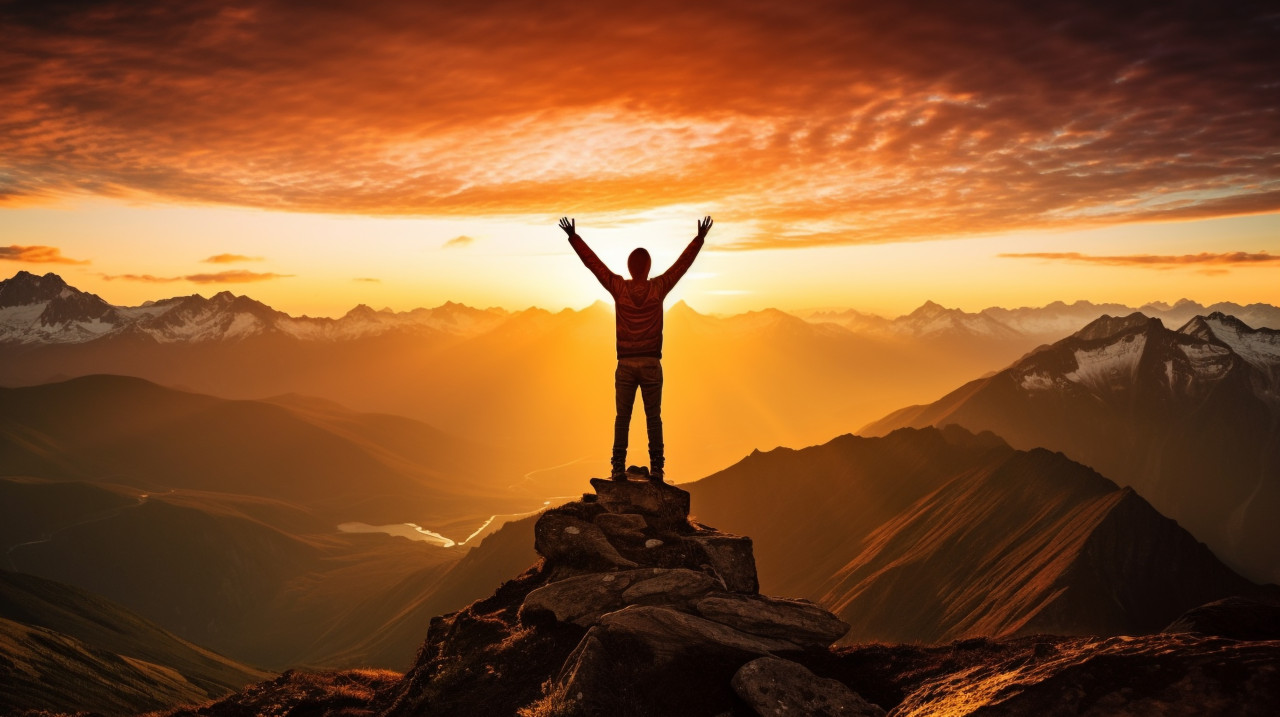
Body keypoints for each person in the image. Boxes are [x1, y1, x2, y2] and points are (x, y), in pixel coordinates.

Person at [559, 215, 712, 483]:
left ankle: (617, 468)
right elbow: (681, 266)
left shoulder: (619, 288)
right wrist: (699, 239)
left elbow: (594, 265)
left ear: (629, 268)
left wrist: (574, 237)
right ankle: (658, 470)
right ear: (648, 267)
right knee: (654, 418)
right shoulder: (658, 287)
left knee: (623, 418)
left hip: (626, 365)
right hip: (651, 364)